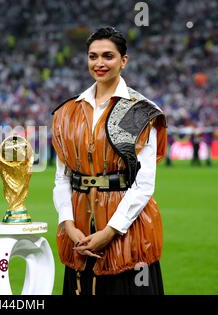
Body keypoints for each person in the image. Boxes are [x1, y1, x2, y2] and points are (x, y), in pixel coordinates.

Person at [51, 26, 167, 295]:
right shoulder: (68, 112)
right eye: (93, 57)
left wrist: (111, 231)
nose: (99, 63)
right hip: (78, 230)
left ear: (123, 60)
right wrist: (67, 223)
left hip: (127, 233)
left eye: (108, 56)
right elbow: (62, 177)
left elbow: (144, 184)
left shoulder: (140, 110)